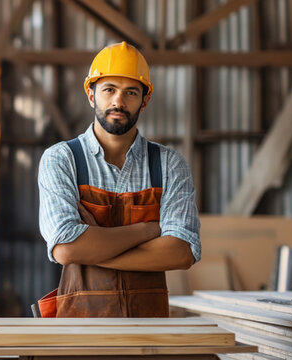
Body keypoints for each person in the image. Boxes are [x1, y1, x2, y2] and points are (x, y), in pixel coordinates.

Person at [36, 42, 201, 318]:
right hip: (80, 334)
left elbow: (181, 252)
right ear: (91, 95)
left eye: (131, 92)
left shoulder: (169, 164)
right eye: (109, 89)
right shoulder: (61, 160)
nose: (118, 102)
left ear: (144, 100)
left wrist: (92, 250)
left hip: (150, 337)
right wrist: (147, 230)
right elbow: (65, 248)